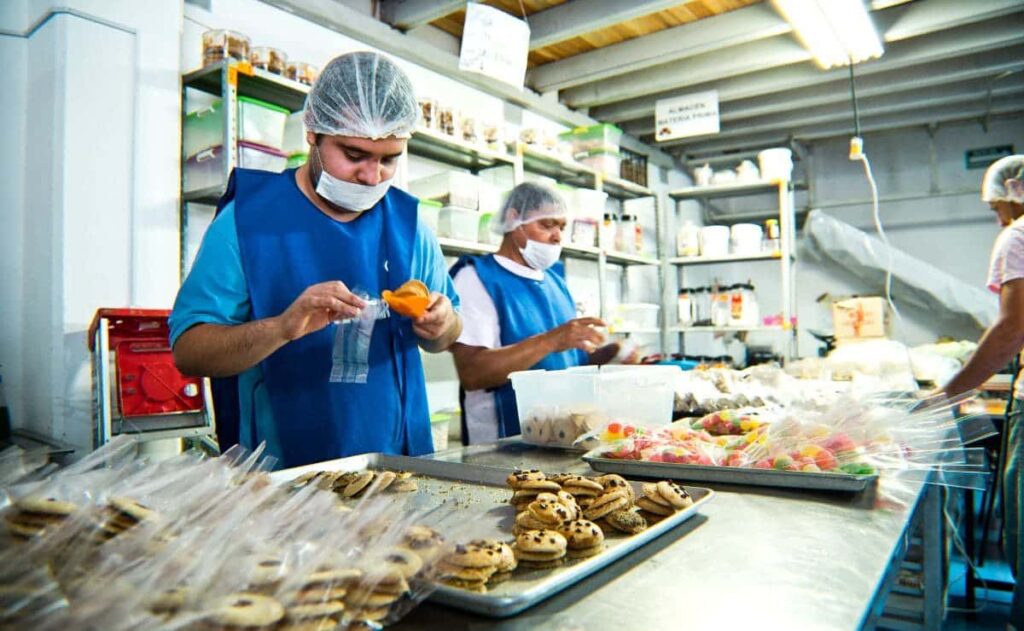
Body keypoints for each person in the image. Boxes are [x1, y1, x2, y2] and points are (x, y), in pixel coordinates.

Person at [169, 51, 462, 469]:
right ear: (312, 132)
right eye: (354, 155)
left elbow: (447, 335)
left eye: (389, 159)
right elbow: (190, 351)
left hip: (397, 464)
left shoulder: (410, 227)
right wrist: (281, 327)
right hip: (280, 473)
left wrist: (441, 323)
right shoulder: (248, 222)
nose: (372, 176)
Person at [449, 182, 619, 444]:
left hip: (561, 437)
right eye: (547, 225)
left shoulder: (555, 282)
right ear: (513, 219)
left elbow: (565, 364)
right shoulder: (476, 278)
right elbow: (473, 372)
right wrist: (550, 341)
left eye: (562, 227)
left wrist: (612, 354)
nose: (557, 237)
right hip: (504, 444)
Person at [940, 154, 1024, 627]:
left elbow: (1013, 328)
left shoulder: (1017, 235)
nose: (997, 218)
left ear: (1014, 193)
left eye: (998, 207)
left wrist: (950, 393)